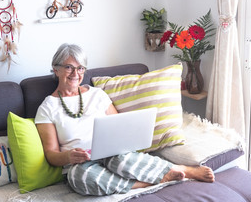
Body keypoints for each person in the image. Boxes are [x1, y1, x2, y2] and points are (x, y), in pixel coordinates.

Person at [35, 43, 214, 196]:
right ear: (55, 69)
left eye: (80, 68)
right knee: (79, 178)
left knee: (121, 160)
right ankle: (151, 182)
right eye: (69, 67)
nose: (75, 73)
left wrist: (121, 145)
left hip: (111, 153)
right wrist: (68, 156)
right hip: (80, 164)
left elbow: (119, 126)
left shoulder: (96, 94)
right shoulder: (47, 108)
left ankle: (183, 169)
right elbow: (51, 155)